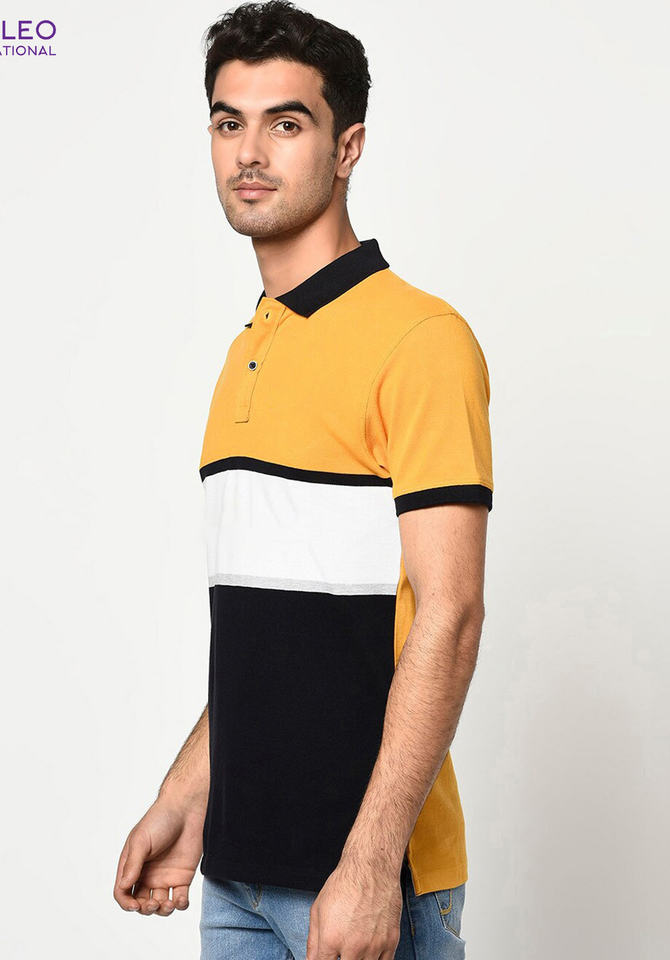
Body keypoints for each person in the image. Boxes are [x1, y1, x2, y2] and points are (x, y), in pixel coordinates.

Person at [114, 3, 493, 957]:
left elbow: (450, 616)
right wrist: (184, 794)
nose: (249, 152)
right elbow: (278, 633)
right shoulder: (249, 349)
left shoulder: (420, 340)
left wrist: (368, 864)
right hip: (235, 875)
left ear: (347, 145)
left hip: (363, 884)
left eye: (286, 122)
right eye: (228, 122)